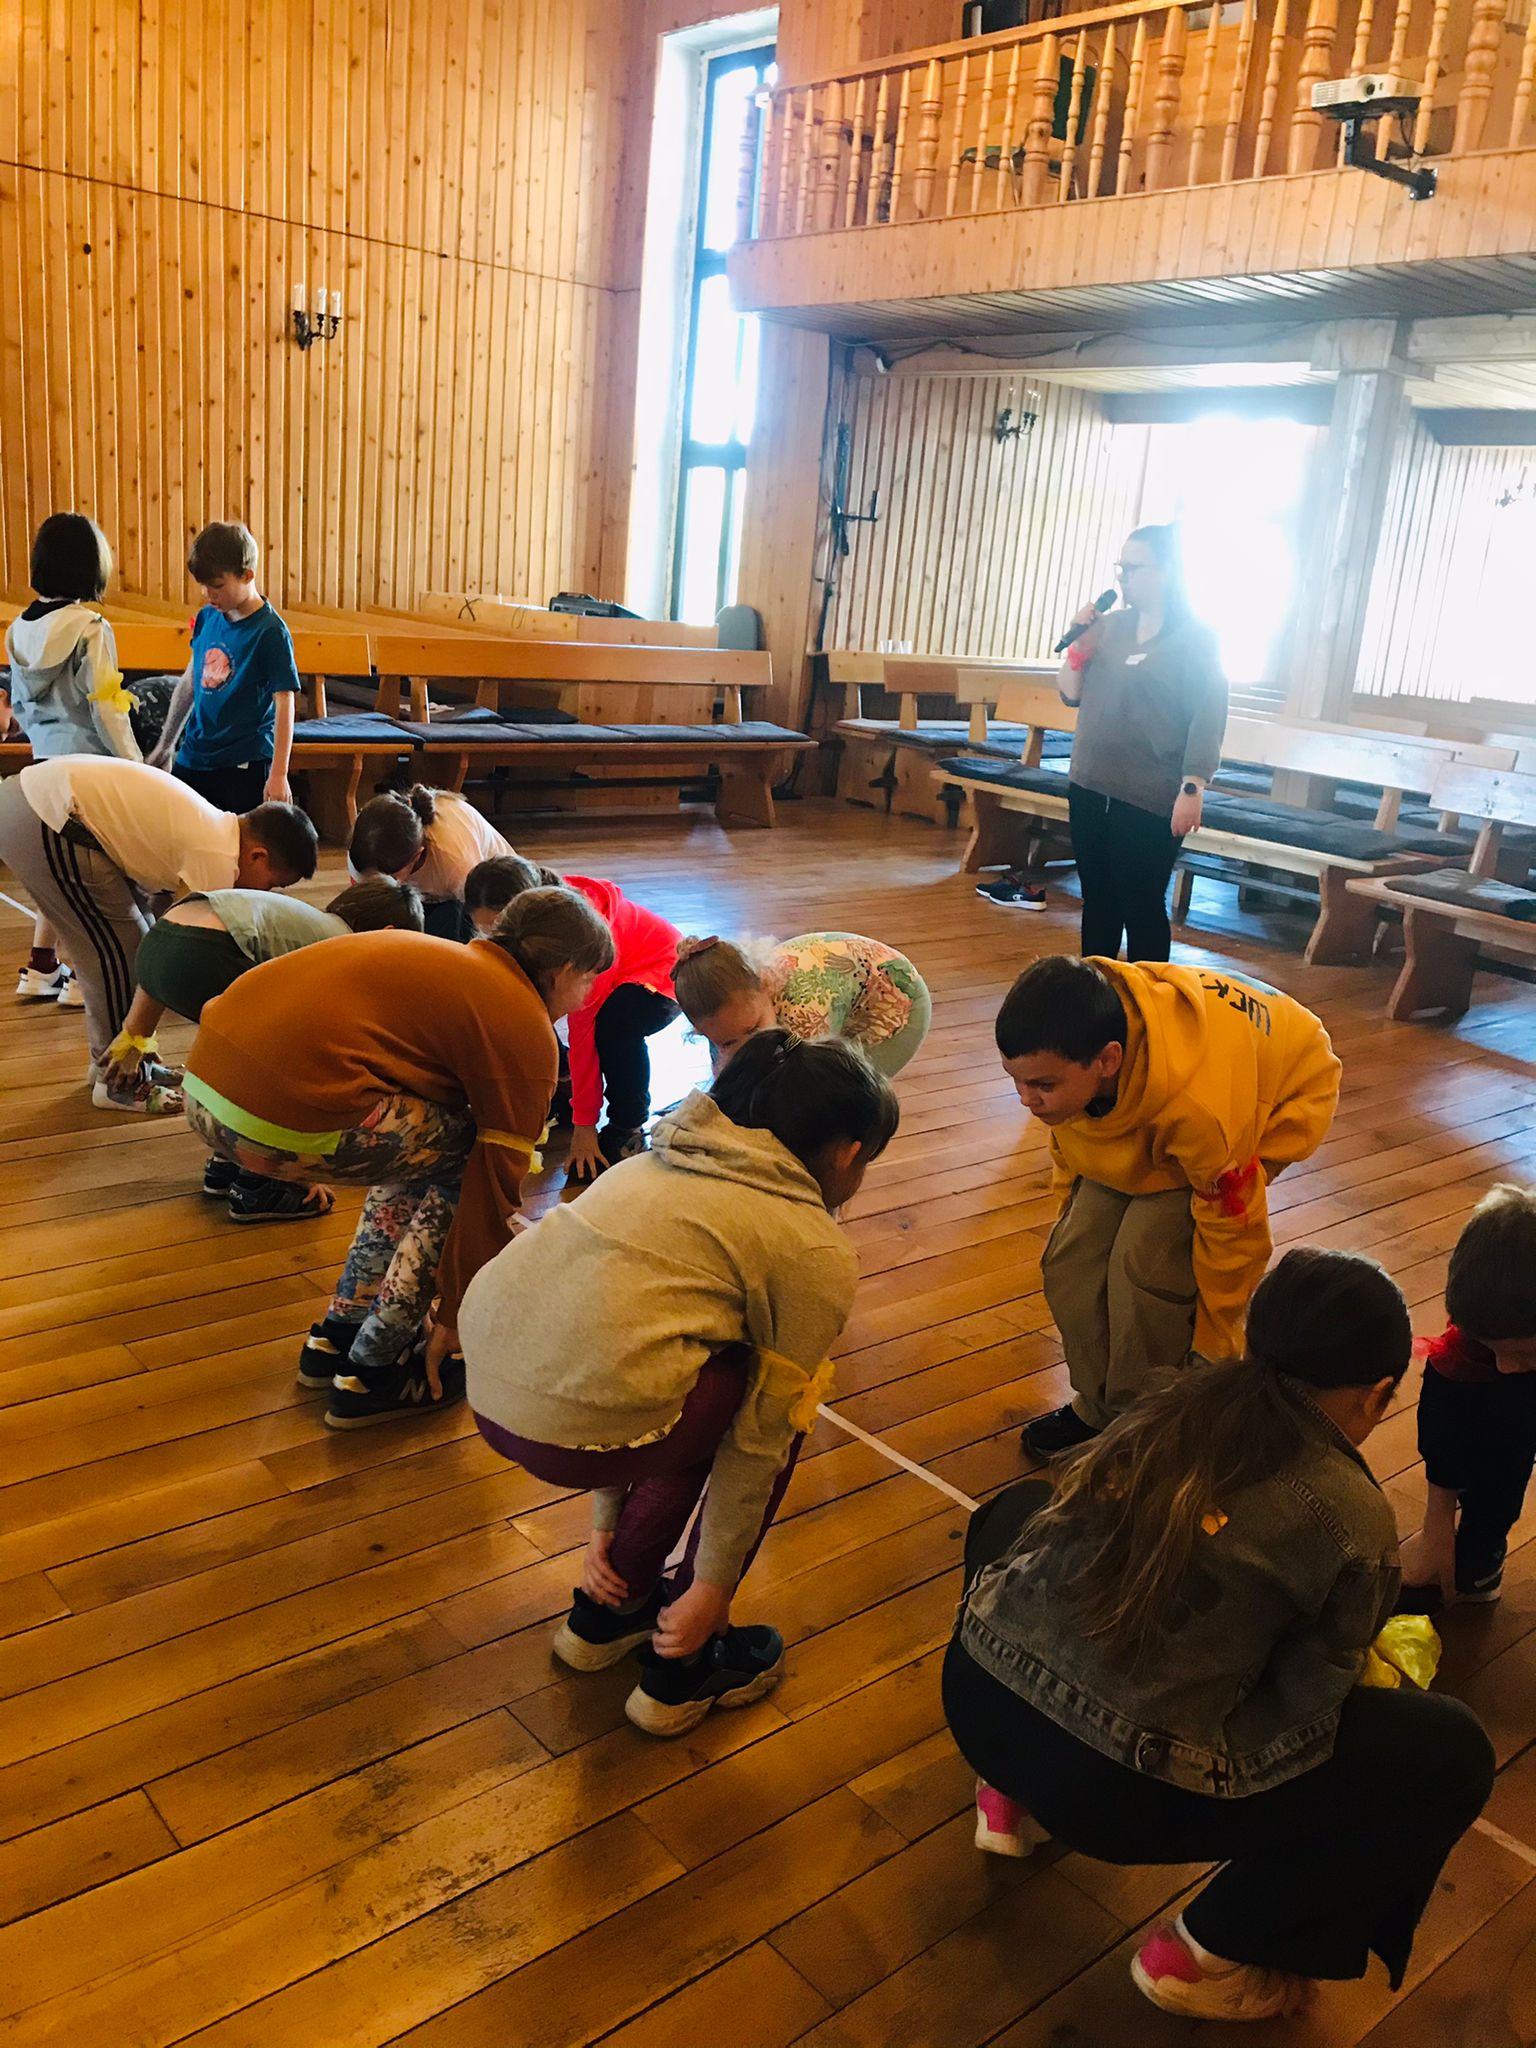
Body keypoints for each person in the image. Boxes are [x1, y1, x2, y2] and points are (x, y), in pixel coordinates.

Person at [946, 1249, 1494, 2022]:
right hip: (1117, 1795)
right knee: (1450, 1752)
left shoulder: (1161, 1406)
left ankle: (1009, 1794)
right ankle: (1205, 1952)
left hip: (979, 1699)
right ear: (1376, 1396)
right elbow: (1312, 1707)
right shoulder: (1350, 1512)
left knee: (1014, 1512)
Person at [461, 1030, 898, 1737]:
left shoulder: (641, 1167)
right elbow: (758, 1442)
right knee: (774, 1402)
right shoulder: (810, 1246)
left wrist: (605, 1532)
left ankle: (608, 1610)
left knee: (696, 1365)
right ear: (848, 1152)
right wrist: (711, 1590)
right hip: (584, 1424)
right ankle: (682, 1667)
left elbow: (608, 1347)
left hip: (490, 1390)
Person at [183, 887, 614, 1427]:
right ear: (564, 970)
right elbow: (492, 1187)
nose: (587, 995)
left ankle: (339, 1332)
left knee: (428, 1142)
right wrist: (456, 1314)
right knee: (466, 1154)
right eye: (589, 979)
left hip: (203, 1088)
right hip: (283, 1118)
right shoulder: (523, 1023)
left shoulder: (449, 959)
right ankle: (378, 1364)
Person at [997, 954, 1340, 1459]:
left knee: (1147, 1265)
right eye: (1017, 1081)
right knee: (1074, 1258)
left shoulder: (1200, 1113)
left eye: (1042, 1086)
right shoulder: (1070, 1060)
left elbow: (1236, 1231)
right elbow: (1073, 1155)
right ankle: (1098, 1407)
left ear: (1107, 1060)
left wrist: (1215, 1347)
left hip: (1277, 1091)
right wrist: (1077, 1221)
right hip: (1166, 1105)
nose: (1027, 1100)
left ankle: (1144, 1420)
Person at [0, 755, 317, 1110]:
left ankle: (113, 1067)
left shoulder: (217, 829)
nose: (264, 896)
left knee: (131, 946)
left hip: (42, 807)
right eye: (271, 885)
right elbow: (169, 952)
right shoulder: (216, 855)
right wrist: (138, 1037)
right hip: (44, 815)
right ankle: (119, 1084)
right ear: (258, 856)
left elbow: (162, 922)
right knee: (119, 953)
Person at [121, 876, 423, 1220]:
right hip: (208, 949)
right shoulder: (342, 948)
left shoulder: (307, 923)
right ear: (387, 933)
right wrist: (303, 1169)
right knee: (281, 1054)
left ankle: (227, 1161)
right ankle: (264, 1181)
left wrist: (134, 1035)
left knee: (238, 1050)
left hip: (159, 940)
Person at [1004, 524, 1226, 960]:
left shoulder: (1197, 637)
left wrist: (1193, 786)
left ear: (1167, 571)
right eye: (1120, 567)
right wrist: (1079, 649)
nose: (1122, 577)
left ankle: (1148, 995)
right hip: (1090, 782)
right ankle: (1096, 986)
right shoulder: (1109, 626)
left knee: (1140, 903)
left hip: (1149, 792)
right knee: (1098, 900)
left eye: (1133, 568)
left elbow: (1208, 715)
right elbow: (1071, 693)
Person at [461, 854, 681, 1179]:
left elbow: (583, 1040)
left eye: (500, 931)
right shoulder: (551, 922)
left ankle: (628, 1126)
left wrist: (585, 1126)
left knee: (613, 1026)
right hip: (620, 971)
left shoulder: (581, 948)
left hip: (665, 974)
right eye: (486, 932)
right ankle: (563, 1086)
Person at [5, 512, 138, 1007]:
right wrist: (137, 765)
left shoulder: (18, 629)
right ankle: (85, 978)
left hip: (42, 765)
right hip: (90, 769)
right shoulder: (91, 628)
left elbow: (21, 706)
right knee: (99, 878)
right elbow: (106, 707)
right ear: (91, 566)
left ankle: (42, 967)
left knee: (57, 872)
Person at [1399, 1185, 1536, 1613]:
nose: (1506, 1366)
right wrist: (1437, 1521)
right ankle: (1480, 1555)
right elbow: (1445, 1422)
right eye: (1492, 1349)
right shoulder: (1475, 1345)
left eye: (1525, 1354)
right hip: (1507, 1425)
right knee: (1500, 1444)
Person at [147, 522, 301, 812]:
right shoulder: (208, 617)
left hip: (242, 761)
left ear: (247, 575)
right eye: (204, 586)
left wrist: (279, 773)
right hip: (195, 755)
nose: (209, 594)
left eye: (217, 586)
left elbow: (285, 702)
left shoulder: (270, 631)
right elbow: (190, 683)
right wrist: (165, 745)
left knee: (237, 838)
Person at [672, 931, 931, 1079]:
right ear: (700, 1032)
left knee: (844, 1090)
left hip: (892, 1000)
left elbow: (805, 1083)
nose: (747, 1046)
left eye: (754, 1029)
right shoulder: (726, 1016)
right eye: (728, 1043)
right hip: (841, 988)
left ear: (766, 985)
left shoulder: (804, 1014)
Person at [350, 786, 514, 941]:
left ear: (417, 856)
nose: (377, 882)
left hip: (493, 899)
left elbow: (487, 923)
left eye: (391, 876)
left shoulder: (456, 862)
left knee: (447, 920)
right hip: (432, 897)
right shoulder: (363, 846)